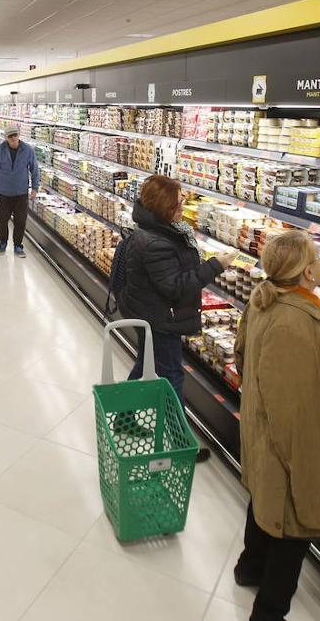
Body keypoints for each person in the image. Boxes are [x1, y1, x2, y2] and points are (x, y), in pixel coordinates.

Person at [232, 229, 320, 621]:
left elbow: (246, 360)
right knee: (294, 525)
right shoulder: (296, 322)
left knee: (263, 500)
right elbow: (293, 399)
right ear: (307, 273)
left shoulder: (265, 300)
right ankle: (269, 611)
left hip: (263, 428)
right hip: (290, 440)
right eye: (318, 257)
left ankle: (249, 568)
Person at [118, 174, 236, 463]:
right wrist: (214, 265)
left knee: (146, 364)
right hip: (159, 318)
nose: (183, 208)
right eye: (177, 205)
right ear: (162, 208)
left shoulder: (158, 229)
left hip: (147, 312)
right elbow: (175, 286)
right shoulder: (155, 241)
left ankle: (124, 416)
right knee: (171, 375)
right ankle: (181, 442)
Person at [0, 126, 39, 257]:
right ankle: (3, 241)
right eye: (10, 136)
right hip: (3, 192)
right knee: (3, 219)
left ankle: (18, 245)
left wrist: (35, 188)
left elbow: (35, 169)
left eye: (15, 135)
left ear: (18, 135)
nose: (13, 138)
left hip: (21, 192)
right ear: (6, 138)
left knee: (20, 220)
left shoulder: (27, 150)